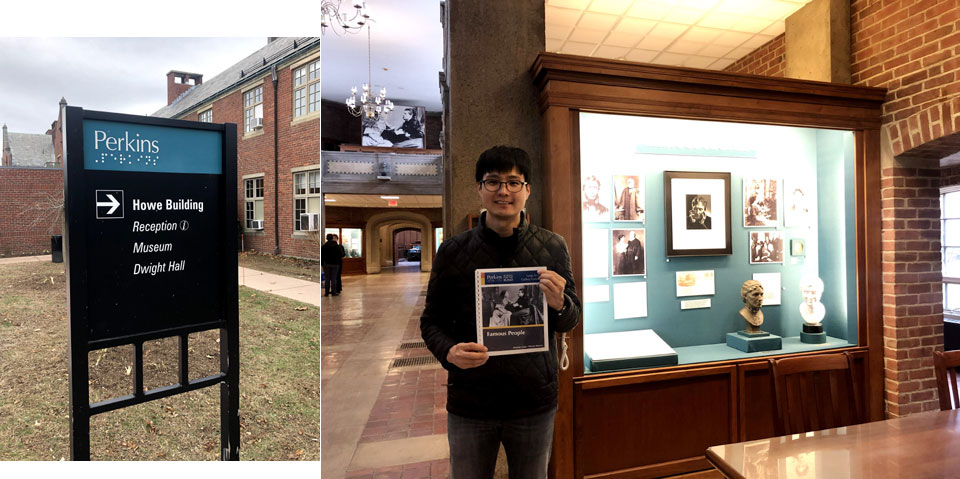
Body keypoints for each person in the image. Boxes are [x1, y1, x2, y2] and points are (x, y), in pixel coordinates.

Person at [420, 145, 581, 479]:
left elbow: (571, 318)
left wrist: (559, 303)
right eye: (493, 182)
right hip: (471, 401)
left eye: (513, 182)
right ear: (479, 188)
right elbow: (431, 321)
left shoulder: (552, 246)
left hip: (533, 401)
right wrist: (449, 351)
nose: (503, 191)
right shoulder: (453, 250)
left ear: (527, 190)